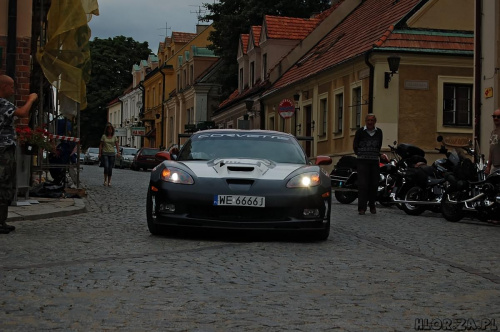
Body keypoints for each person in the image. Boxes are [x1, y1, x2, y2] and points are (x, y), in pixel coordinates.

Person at [0, 75, 38, 234]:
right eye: (11, 87)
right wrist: (31, 99)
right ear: (3, 87)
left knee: (6, 185)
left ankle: (2, 221)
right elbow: (22, 113)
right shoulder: (2, 103)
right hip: (3, 149)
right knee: (4, 184)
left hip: (5, 148)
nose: (13, 90)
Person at [353, 113, 383, 215]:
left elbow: (379, 145)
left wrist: (377, 154)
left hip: (374, 161)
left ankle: (372, 205)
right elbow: (355, 145)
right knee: (363, 185)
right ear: (365, 121)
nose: (370, 122)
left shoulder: (379, 132)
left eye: (372, 120)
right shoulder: (360, 132)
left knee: (374, 184)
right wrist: (361, 154)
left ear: (375, 122)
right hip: (362, 161)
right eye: (368, 120)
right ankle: (362, 208)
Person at [99, 122, 120, 186]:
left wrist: (118, 152)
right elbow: (101, 145)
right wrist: (100, 153)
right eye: (108, 129)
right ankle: (105, 180)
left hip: (112, 153)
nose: (110, 130)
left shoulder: (114, 137)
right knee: (106, 166)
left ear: (112, 130)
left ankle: (109, 181)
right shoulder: (104, 136)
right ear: (107, 130)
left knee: (110, 168)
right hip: (105, 153)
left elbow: (117, 145)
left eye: (111, 129)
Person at [485, 108, 500, 176]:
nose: (496, 118)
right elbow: (491, 150)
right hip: (495, 167)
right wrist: (488, 166)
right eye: (494, 116)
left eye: (498, 117)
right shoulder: (493, 132)